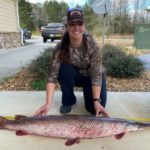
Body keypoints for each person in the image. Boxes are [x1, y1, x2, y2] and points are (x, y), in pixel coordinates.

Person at [35, 8, 109, 117]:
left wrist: (96, 100)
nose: (76, 28)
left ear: (84, 26)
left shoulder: (92, 44)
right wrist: (47, 104)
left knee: (93, 109)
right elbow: (52, 76)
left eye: (80, 24)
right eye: (72, 24)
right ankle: (68, 101)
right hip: (75, 76)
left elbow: (97, 74)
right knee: (64, 70)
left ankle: (90, 95)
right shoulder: (60, 47)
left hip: (91, 78)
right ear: (67, 27)